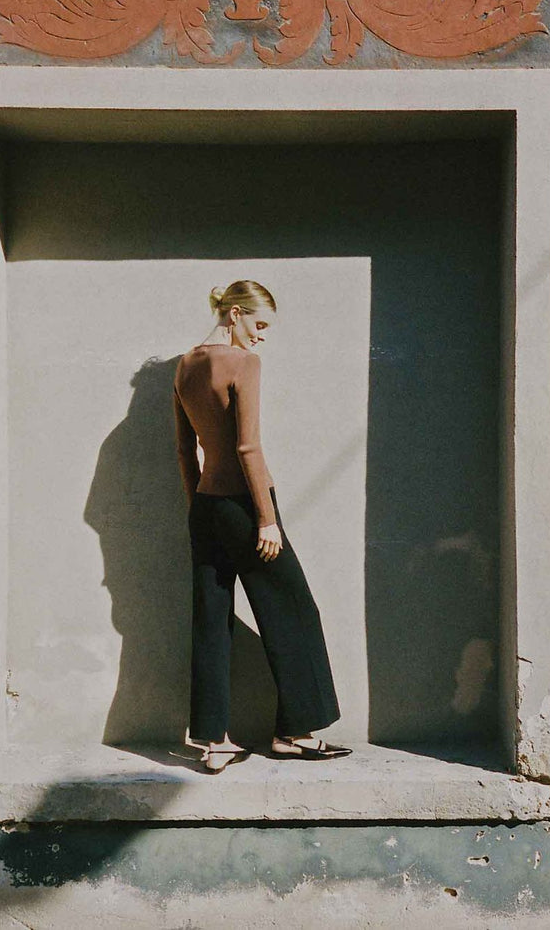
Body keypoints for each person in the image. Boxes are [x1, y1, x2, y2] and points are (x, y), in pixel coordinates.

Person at [173, 279, 351, 773]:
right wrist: (266, 520)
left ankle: (214, 742)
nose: (261, 335)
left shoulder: (184, 366)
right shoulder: (243, 363)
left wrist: (196, 508)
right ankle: (295, 734)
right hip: (246, 505)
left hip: (205, 506)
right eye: (258, 323)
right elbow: (248, 447)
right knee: (294, 610)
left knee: (212, 618)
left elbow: (185, 450)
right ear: (234, 314)